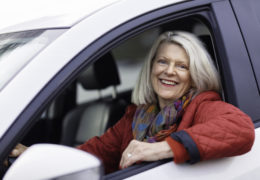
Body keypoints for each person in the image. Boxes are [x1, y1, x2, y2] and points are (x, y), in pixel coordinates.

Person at [11, 31, 255, 174]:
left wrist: (160, 148)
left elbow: (240, 129)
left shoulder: (202, 106)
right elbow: (93, 154)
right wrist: (30, 155)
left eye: (182, 66)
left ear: (195, 75)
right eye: (163, 62)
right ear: (151, 68)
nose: (169, 71)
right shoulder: (136, 117)